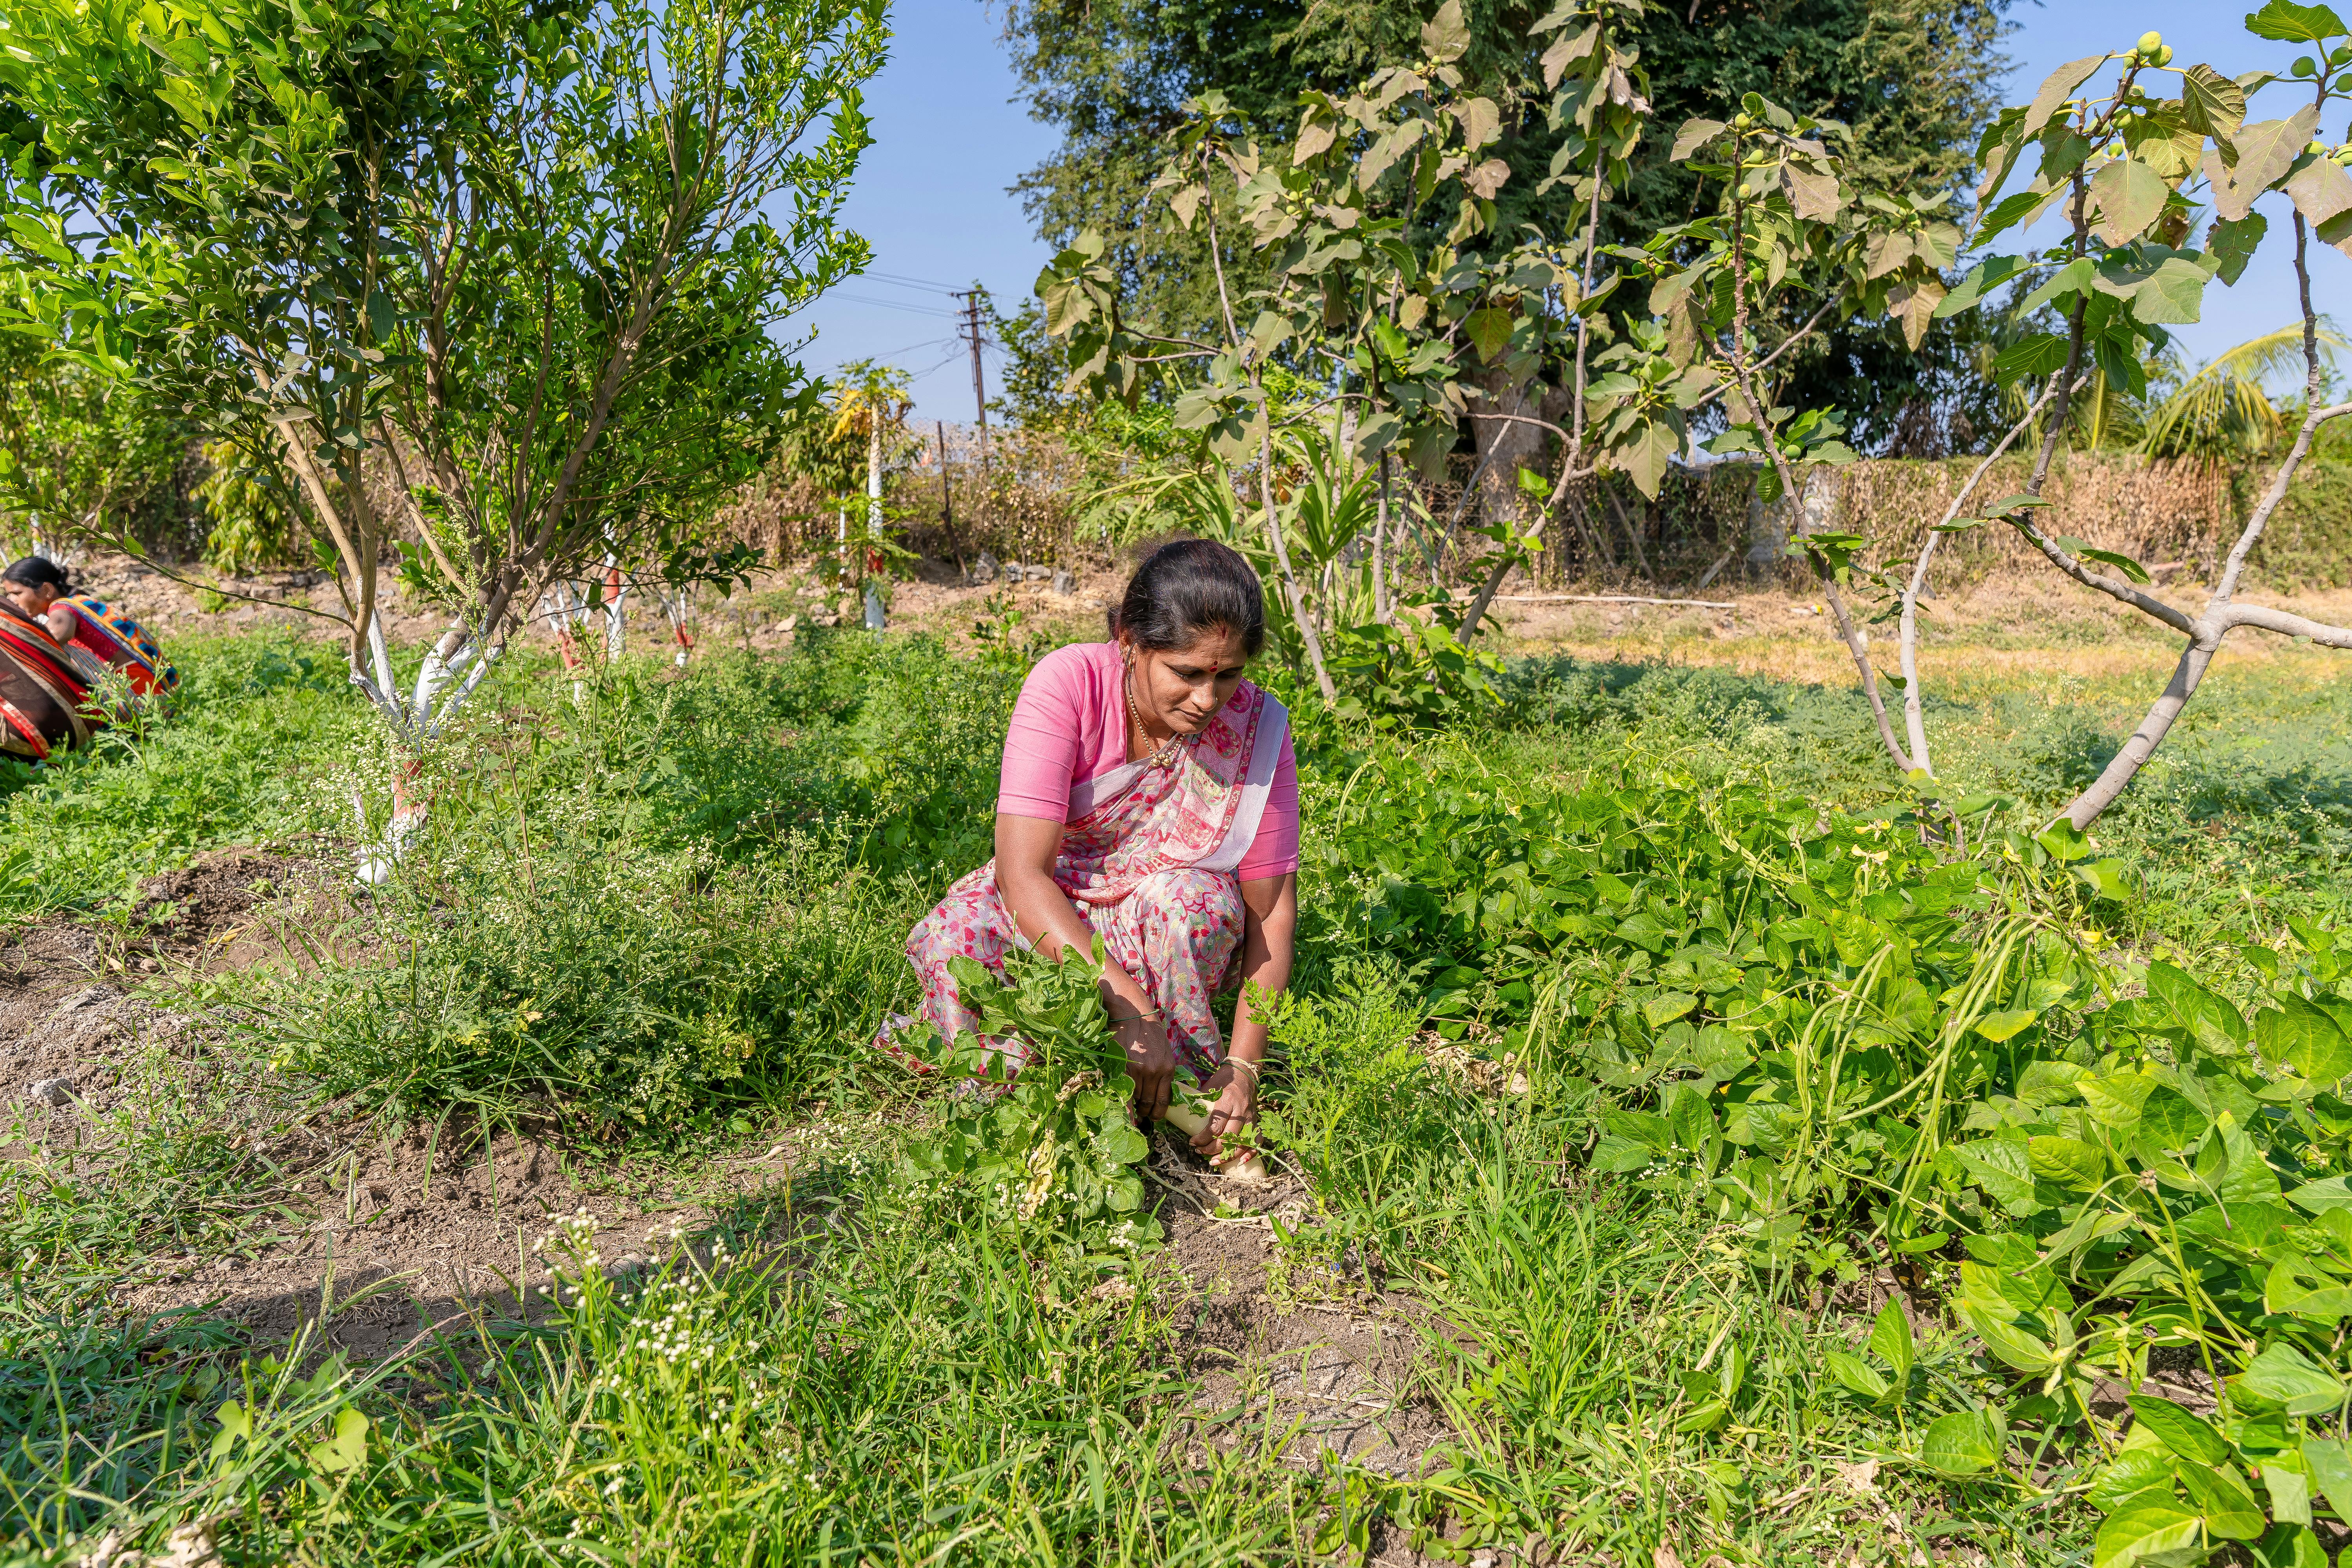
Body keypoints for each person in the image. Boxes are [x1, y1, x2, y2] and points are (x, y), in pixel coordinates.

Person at [882, 539, 1300, 1161]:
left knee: (1189, 902)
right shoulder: (1070, 684)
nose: (1209, 701)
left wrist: (1244, 1066)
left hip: (1158, 921)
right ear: (1130, 641)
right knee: (955, 939)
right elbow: (1022, 875)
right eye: (1186, 673)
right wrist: (1130, 1009)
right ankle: (1048, 1100)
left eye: (1229, 674)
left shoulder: (1256, 730)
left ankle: (1186, 1086)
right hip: (1053, 916)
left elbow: (1272, 912)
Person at [1, 557, 79, 644]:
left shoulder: (62, 607)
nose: (11, 600)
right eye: (9, 594)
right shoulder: (76, 601)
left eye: (17, 593)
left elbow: (54, 635)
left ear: (47, 590)